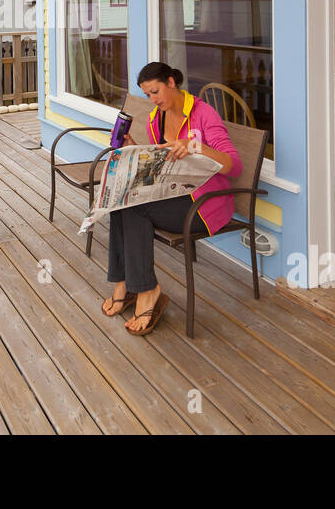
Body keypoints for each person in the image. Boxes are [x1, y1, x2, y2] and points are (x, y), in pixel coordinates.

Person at [101, 61, 242, 335]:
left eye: (155, 92)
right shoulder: (158, 117)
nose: (153, 100)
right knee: (121, 200)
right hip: (175, 192)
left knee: (135, 210)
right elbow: (163, 157)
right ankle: (124, 282)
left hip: (205, 203)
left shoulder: (204, 114)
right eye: (148, 95)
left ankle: (147, 290)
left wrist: (195, 146)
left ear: (171, 82)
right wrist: (134, 149)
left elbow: (233, 166)